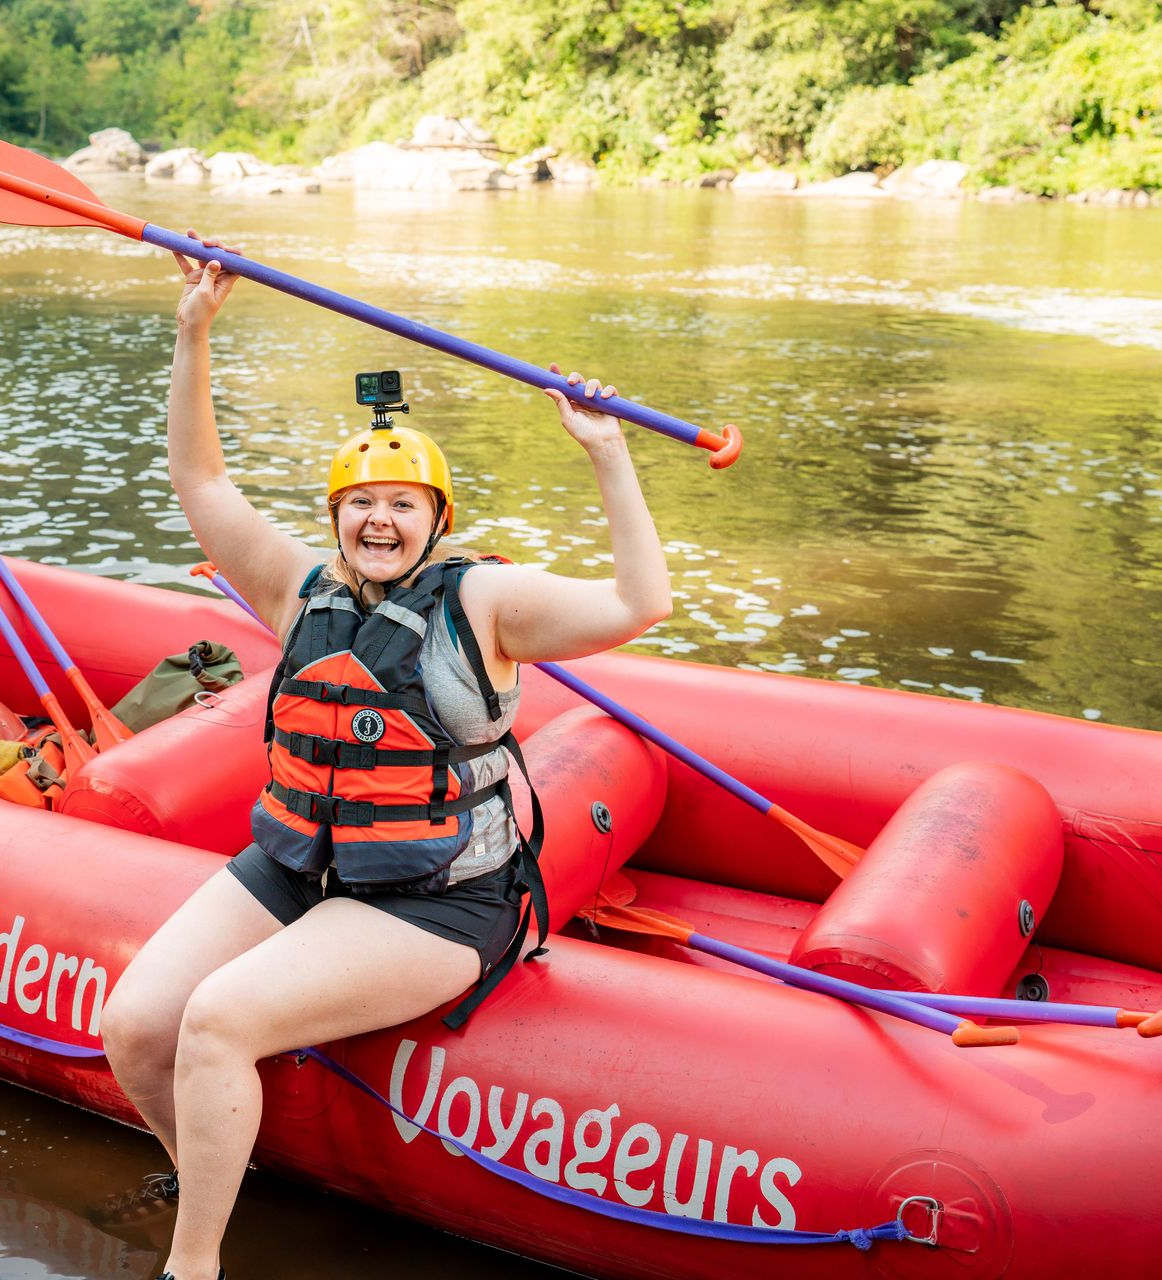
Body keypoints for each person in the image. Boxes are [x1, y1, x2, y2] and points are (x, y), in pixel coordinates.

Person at [98, 234, 676, 1280]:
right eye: (360, 502)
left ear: (437, 521)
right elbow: (199, 476)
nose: (379, 517)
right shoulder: (297, 586)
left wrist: (606, 451)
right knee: (137, 1022)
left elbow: (642, 602)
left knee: (220, 1016)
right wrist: (194, 332)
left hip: (439, 896)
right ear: (336, 516)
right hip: (304, 864)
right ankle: (220, 1177)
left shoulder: (484, 603)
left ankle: (192, 1267)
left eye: (403, 503)